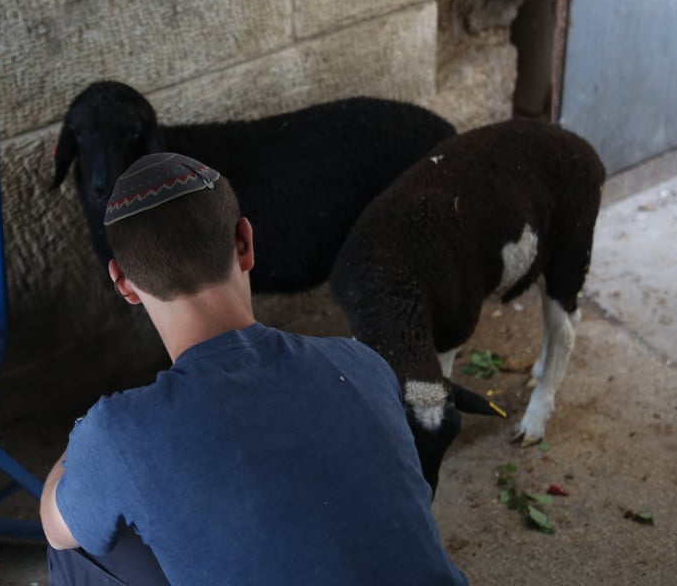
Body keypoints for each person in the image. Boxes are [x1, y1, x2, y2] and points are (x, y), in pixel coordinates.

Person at [40, 152, 469, 586]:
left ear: (124, 283)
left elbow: (55, 529)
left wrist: (87, 439)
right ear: (244, 242)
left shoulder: (121, 431)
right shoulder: (360, 363)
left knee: (83, 546)